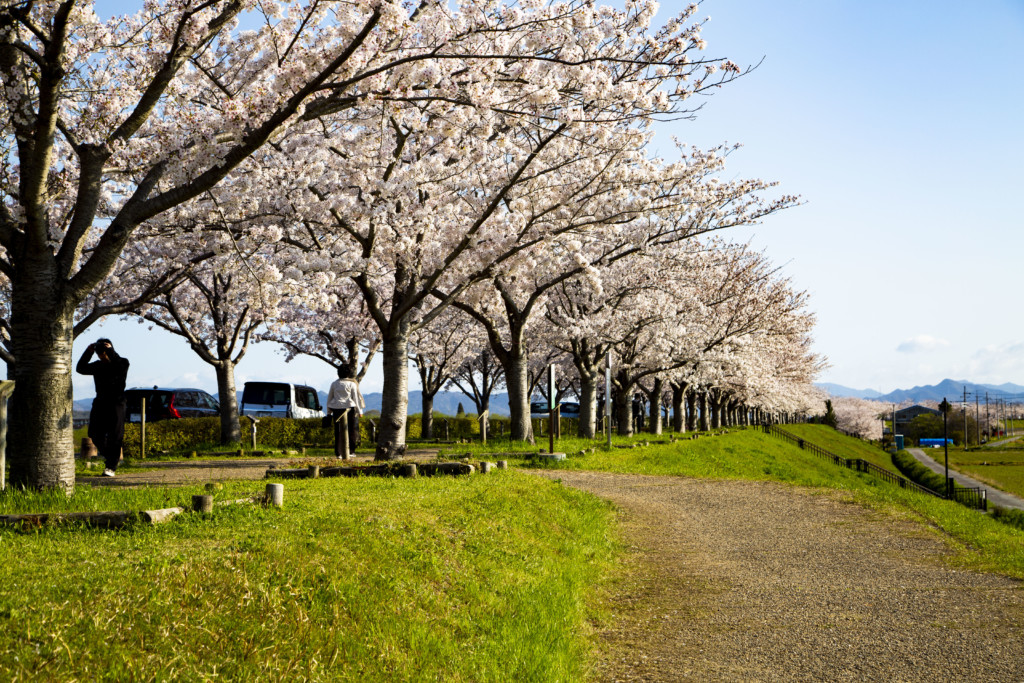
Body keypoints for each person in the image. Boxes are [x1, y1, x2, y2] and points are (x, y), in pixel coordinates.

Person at [76, 338, 130, 477]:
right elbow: (80, 368)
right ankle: (112, 458)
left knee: (115, 435)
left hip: (117, 402)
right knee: (94, 433)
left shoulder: (122, 362)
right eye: (100, 353)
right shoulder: (97, 366)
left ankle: (111, 467)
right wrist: (88, 352)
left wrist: (111, 351)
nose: (102, 355)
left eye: (104, 352)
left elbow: (118, 366)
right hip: (100, 401)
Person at [326, 367, 364, 459]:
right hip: (349, 408)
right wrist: (360, 411)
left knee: (338, 430)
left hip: (336, 408)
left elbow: (330, 397)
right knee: (352, 430)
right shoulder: (352, 384)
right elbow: (355, 398)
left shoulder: (334, 384)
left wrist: (328, 411)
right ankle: (351, 451)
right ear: (349, 374)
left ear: (338, 373)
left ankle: (338, 453)